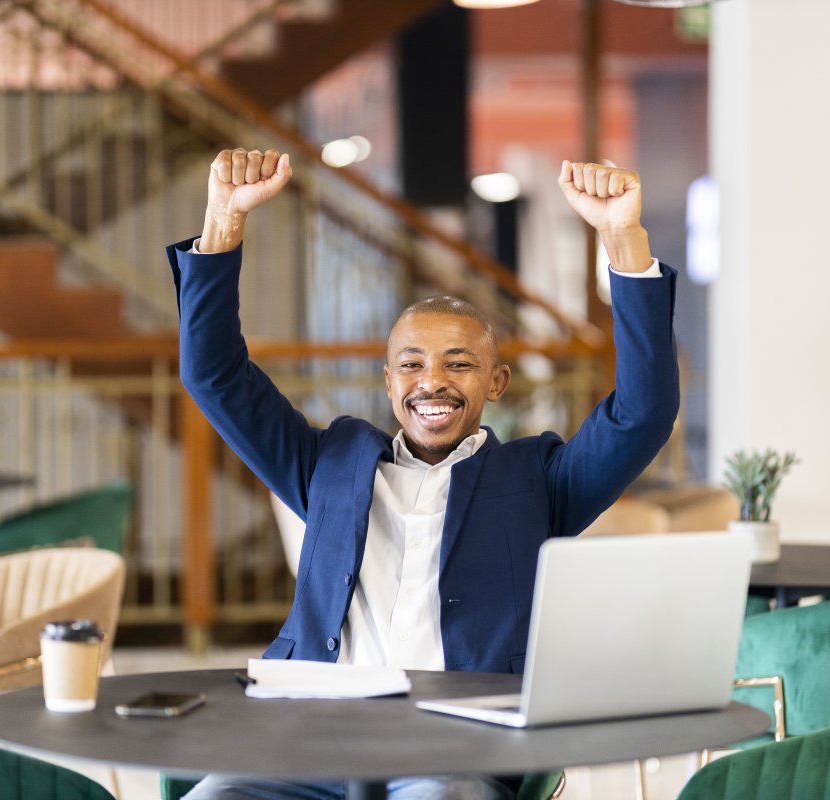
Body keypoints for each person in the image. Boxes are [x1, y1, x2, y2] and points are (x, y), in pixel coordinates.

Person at [167, 148, 680, 800]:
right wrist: (222, 221)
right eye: (411, 364)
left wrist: (622, 237)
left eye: (459, 364)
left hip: (455, 749)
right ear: (388, 382)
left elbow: (642, 412)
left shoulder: (537, 481)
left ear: (497, 382)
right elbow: (213, 375)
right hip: (309, 737)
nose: (431, 381)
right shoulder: (328, 464)